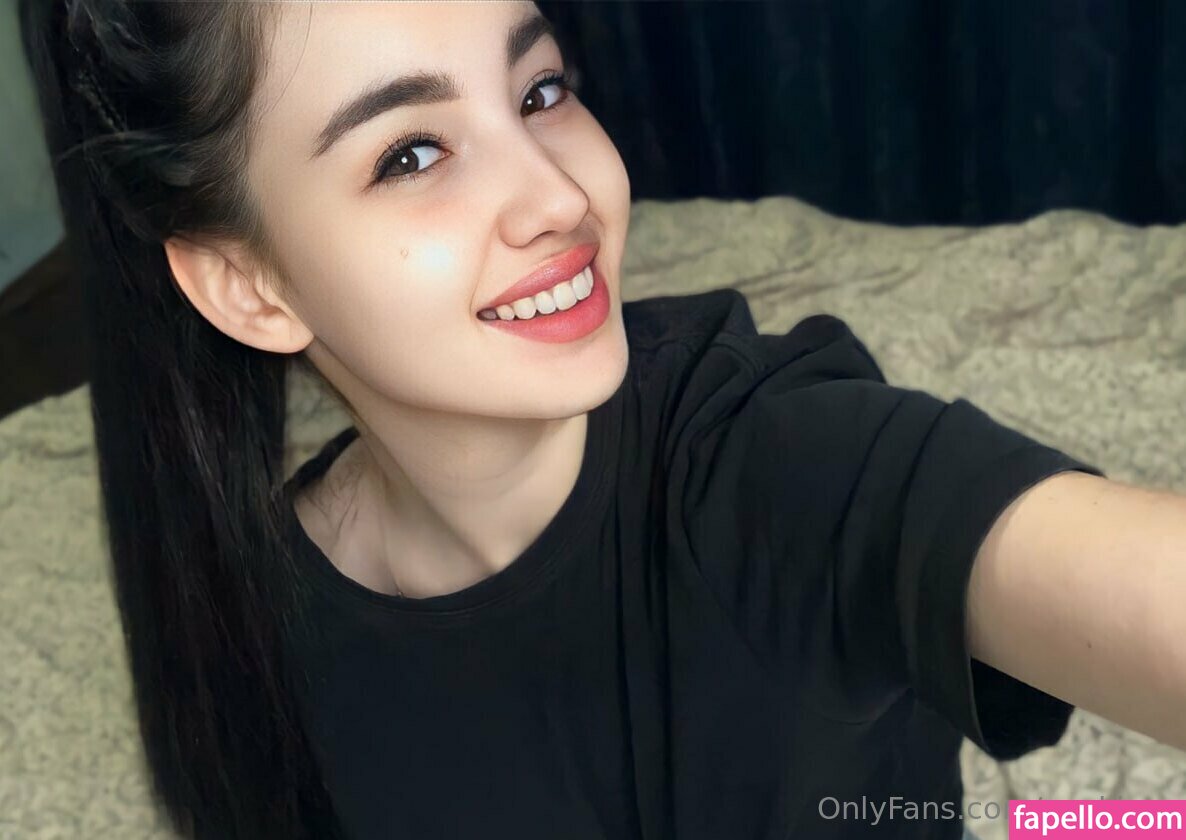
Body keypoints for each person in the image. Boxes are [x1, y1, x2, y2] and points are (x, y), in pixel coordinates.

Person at [19, 2, 1186, 839]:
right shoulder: (254, 617)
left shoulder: (775, 457)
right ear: (250, 285)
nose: (559, 194)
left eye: (540, 92)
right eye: (412, 153)